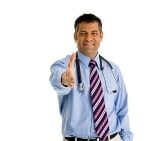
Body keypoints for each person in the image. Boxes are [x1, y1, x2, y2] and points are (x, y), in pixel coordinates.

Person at [49, 13, 133, 141]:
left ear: (101, 36)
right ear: (75, 36)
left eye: (94, 33)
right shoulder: (64, 65)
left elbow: (122, 109)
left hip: (112, 138)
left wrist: (127, 139)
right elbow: (56, 80)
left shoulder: (113, 69)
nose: (88, 38)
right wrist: (65, 79)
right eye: (83, 33)